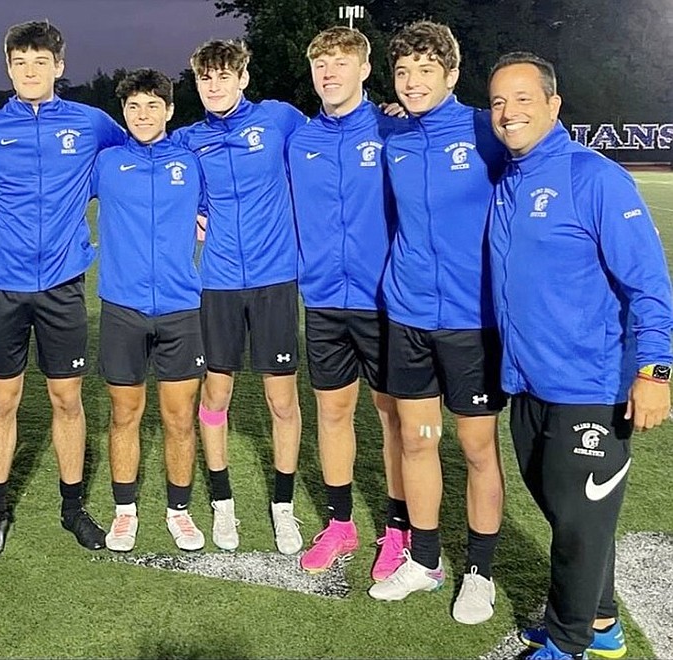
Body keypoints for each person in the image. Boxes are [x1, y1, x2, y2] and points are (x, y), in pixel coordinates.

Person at [487, 52, 672, 660]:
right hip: (529, 384)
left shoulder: (593, 177)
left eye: (521, 99)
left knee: (578, 521)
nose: (508, 113)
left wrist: (655, 370)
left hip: (589, 386)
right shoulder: (508, 177)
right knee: (573, 515)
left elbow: (649, 281)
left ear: (553, 105)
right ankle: (602, 622)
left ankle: (567, 644)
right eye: (497, 103)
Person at [0, 20, 126, 557]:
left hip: (62, 283)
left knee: (66, 398)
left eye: (40, 62)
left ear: (59, 66)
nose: (30, 72)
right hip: (1, 284)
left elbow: (141, 154)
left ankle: (72, 506)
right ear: (9, 68)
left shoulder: (92, 122)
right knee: (3, 398)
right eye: (19, 63)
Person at [366, 21, 507, 626]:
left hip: (473, 322)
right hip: (407, 315)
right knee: (418, 442)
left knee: (477, 448)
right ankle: (425, 562)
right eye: (404, 72)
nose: (413, 82)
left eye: (427, 70)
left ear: (451, 75)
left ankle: (481, 571)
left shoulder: (485, 130)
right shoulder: (391, 131)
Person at [174, 39, 306, 554]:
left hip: (276, 278)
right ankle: (223, 505)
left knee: (281, 399)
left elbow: (339, 130)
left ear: (243, 78)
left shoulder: (279, 119)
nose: (214, 86)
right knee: (216, 396)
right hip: (219, 281)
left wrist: (391, 113)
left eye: (224, 76)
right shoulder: (188, 139)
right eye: (206, 79)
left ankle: (283, 507)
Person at [287, 26, 408, 580]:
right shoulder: (300, 139)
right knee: (332, 413)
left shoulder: (392, 131)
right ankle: (340, 525)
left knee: (392, 418)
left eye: (341, 62)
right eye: (320, 64)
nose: (329, 73)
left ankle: (398, 529)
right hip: (323, 302)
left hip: (383, 302)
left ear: (363, 70)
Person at [92, 68, 206, 553]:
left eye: (153, 106)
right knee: (125, 415)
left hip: (181, 308)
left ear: (170, 111)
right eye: (134, 107)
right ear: (124, 112)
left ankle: (178, 510)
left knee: (181, 420)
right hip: (122, 307)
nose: (143, 115)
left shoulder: (192, 160)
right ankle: (124, 511)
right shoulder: (106, 162)